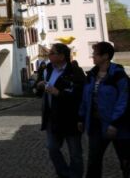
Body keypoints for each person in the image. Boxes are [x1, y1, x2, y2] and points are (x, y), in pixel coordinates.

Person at [78, 41, 129, 178]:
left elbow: (123, 100)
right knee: (93, 161)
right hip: (95, 125)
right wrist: (81, 118)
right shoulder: (91, 75)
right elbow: (85, 98)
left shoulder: (118, 75)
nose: (92, 56)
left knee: (126, 161)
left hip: (119, 127)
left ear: (105, 56)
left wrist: (115, 123)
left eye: (95, 54)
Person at [34, 43, 85, 178]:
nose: (49, 55)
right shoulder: (48, 69)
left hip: (70, 118)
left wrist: (58, 93)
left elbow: (79, 96)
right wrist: (39, 86)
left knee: (75, 153)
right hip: (52, 117)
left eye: (52, 53)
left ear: (62, 56)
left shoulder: (75, 72)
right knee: (52, 148)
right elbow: (38, 89)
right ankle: (65, 174)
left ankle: (75, 176)